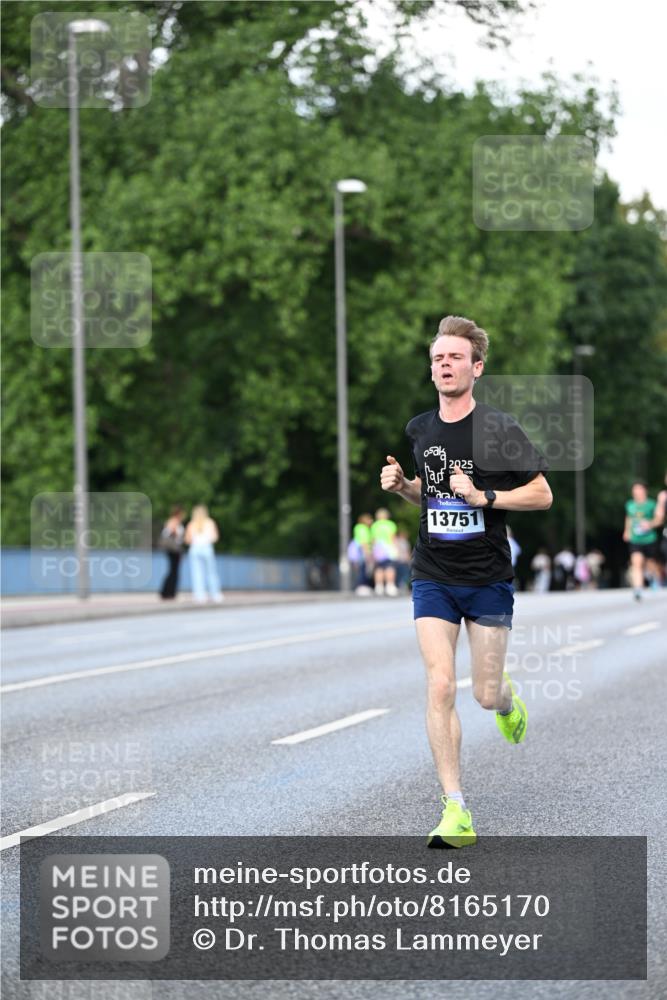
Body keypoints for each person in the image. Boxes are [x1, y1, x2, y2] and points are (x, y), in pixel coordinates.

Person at [380, 315, 551, 848]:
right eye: (437, 358)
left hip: (487, 578)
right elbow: (429, 500)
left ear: (476, 367)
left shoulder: (499, 430)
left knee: (483, 693)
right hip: (433, 573)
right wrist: (404, 486)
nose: (444, 365)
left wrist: (486, 498)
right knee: (438, 684)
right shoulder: (420, 430)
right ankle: (455, 809)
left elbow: (543, 494)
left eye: (454, 357)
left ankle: (506, 700)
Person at [623, 481, 661, 600]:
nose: (636, 492)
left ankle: (655, 578)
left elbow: (659, 519)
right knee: (636, 562)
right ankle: (638, 589)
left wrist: (650, 524)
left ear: (645, 491)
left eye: (639, 489)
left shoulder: (651, 504)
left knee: (650, 563)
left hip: (650, 538)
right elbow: (629, 517)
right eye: (634, 490)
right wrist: (627, 530)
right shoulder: (630, 505)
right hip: (635, 539)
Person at [185, 505, 224, 604]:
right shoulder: (210, 522)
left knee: (197, 574)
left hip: (195, 549)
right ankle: (215, 595)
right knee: (211, 572)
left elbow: (187, 540)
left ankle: (199, 596)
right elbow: (215, 537)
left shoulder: (192, 524)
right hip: (207, 548)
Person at [159, 505, 185, 599]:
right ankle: (169, 592)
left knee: (173, 571)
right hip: (174, 549)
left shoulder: (171, 521)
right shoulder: (174, 522)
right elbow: (174, 534)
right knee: (174, 571)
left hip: (172, 549)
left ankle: (167, 592)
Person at [371, 508, 399, 596]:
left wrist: (373, 551)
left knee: (379, 568)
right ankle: (390, 586)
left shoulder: (374, 525)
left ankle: (379, 587)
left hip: (378, 548)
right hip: (388, 548)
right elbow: (392, 538)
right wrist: (396, 548)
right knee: (389, 567)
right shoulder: (391, 524)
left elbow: (373, 539)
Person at [350, 513, 374, 595]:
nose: (371, 521)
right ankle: (361, 586)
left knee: (362, 569)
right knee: (362, 569)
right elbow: (364, 542)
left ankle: (362, 586)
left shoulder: (359, 527)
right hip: (361, 552)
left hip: (360, 552)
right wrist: (367, 554)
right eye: (369, 519)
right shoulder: (362, 528)